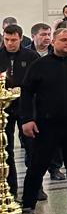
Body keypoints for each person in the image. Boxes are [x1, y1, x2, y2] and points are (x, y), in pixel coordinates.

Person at [16, 25, 67, 214]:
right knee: (36, 167)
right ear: (54, 42)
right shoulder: (39, 65)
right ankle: (28, 208)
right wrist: (27, 119)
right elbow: (26, 93)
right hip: (46, 126)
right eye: (64, 40)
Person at [1, 24, 37, 202]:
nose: (10, 43)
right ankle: (11, 189)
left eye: (14, 40)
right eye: (6, 39)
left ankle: (35, 188)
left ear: (21, 38)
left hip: (27, 107)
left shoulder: (31, 56)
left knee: (32, 148)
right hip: (4, 108)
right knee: (6, 149)